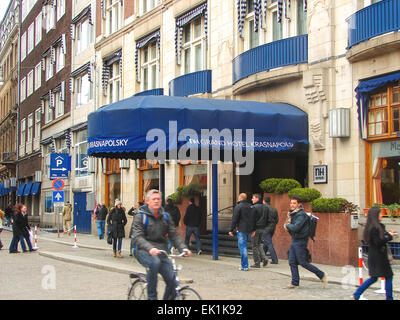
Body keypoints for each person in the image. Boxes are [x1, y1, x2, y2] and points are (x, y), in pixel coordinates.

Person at [132, 189, 191, 300]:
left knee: (173, 281)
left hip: (161, 251)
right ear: (147, 201)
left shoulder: (165, 217)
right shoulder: (140, 216)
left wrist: (183, 248)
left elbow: (173, 235)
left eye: (158, 199)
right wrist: (150, 248)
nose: (156, 201)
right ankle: (152, 297)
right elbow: (138, 237)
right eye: (154, 199)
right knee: (154, 262)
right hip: (143, 251)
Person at [353, 207, 397, 300]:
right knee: (386, 276)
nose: (382, 215)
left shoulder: (378, 226)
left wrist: (388, 233)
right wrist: (389, 236)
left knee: (376, 277)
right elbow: (378, 241)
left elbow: (381, 237)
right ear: (375, 215)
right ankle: (389, 298)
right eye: (380, 213)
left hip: (378, 256)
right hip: (378, 257)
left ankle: (357, 294)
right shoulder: (373, 228)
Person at [284, 196, 327, 289]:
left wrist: (288, 226)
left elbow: (296, 227)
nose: (292, 205)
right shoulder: (293, 214)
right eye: (291, 203)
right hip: (295, 240)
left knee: (303, 262)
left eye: (294, 203)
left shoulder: (301, 215)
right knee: (292, 262)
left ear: (299, 204)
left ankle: (321, 274)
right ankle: (295, 282)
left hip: (300, 241)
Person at [229, 193, 255, 271]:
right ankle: (244, 265)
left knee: (243, 247)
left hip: (241, 229)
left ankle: (244, 266)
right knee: (245, 247)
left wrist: (231, 230)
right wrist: (254, 229)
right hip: (249, 230)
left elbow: (235, 219)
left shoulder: (238, 207)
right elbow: (254, 219)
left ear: (240, 198)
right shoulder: (251, 206)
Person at [250, 193, 269, 268]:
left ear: (257, 199)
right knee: (259, 244)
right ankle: (264, 258)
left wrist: (252, 229)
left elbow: (252, 220)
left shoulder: (253, 207)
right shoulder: (265, 207)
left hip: (256, 229)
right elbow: (267, 218)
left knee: (254, 245)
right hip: (262, 228)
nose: (252, 199)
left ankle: (257, 262)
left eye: (253, 198)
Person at [263, 196, 279, 264]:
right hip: (272, 227)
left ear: (264, 201)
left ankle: (275, 259)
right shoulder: (274, 209)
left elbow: (263, 219)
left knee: (269, 243)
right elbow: (277, 219)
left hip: (266, 227)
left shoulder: (264, 208)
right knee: (266, 242)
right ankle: (262, 257)